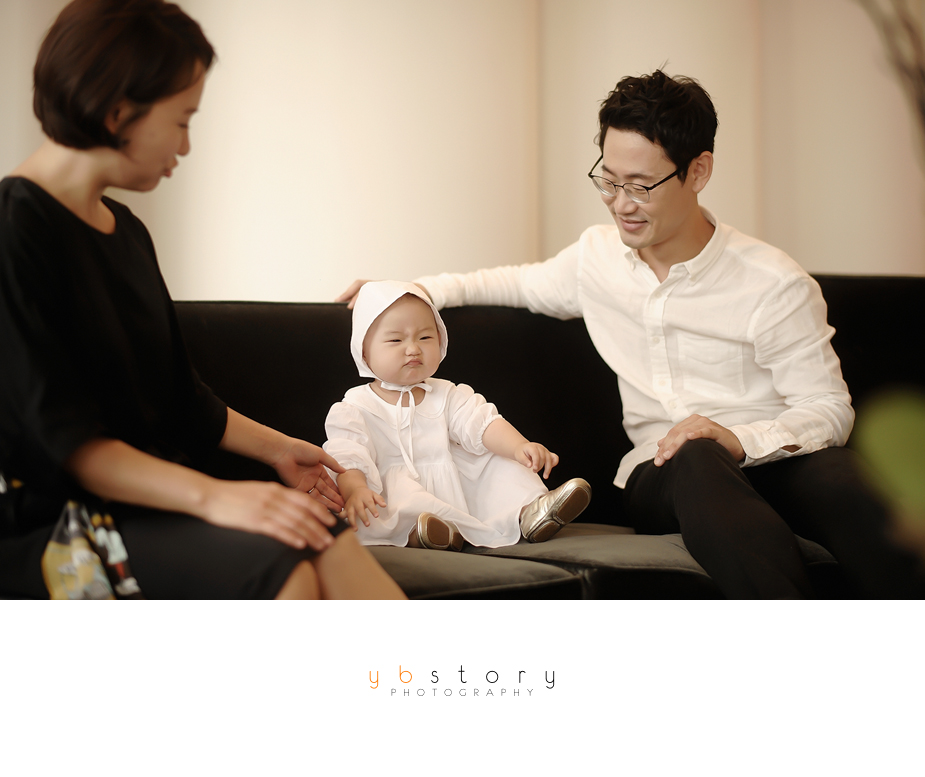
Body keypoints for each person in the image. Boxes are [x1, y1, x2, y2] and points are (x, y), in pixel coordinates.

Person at [339, 70, 924, 598]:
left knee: (843, 481)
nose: (620, 205)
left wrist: (739, 439)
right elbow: (509, 283)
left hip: (770, 458)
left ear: (698, 171)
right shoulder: (596, 259)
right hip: (664, 473)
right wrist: (400, 291)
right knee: (694, 455)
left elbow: (828, 409)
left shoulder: (773, 282)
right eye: (608, 181)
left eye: (641, 186)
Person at [0, 0, 404, 600]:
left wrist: (281, 452)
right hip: (57, 525)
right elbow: (65, 444)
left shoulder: (127, 232)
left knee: (323, 535)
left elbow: (178, 399)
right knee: (282, 568)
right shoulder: (16, 229)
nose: (186, 146)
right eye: (183, 120)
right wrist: (218, 498)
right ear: (118, 112)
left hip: (151, 506)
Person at [324, 281, 592, 550]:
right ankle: (423, 535)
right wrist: (355, 490)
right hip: (392, 493)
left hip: (454, 488)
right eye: (396, 340)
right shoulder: (355, 407)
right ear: (363, 351)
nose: (413, 348)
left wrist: (520, 446)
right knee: (398, 504)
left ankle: (530, 512)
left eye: (425, 338)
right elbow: (348, 457)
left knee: (500, 459)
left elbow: (483, 423)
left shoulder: (447, 394)